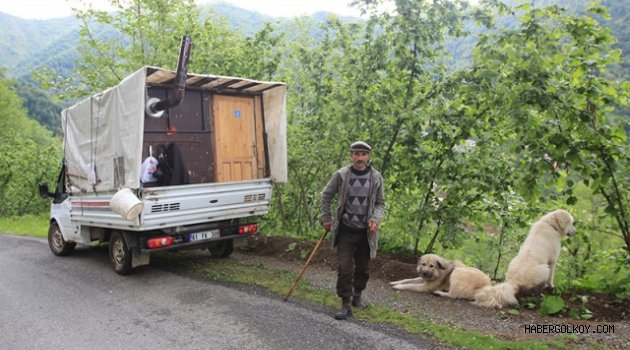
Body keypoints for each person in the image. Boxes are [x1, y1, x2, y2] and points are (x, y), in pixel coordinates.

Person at [321, 141, 385, 320]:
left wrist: (375, 219)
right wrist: (326, 218)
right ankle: (345, 304)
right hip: (345, 231)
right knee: (344, 267)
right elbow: (326, 195)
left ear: (368, 156)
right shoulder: (341, 175)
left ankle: (357, 297)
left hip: (366, 233)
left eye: (363, 154)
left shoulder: (376, 177)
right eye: (356, 154)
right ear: (351, 155)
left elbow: (380, 203)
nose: (360, 158)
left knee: (363, 269)